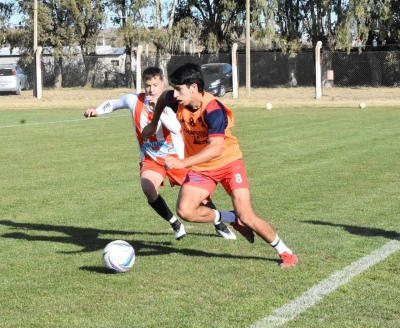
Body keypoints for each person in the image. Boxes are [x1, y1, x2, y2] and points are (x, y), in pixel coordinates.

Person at [142, 63, 298, 267]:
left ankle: (285, 252)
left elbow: (215, 149)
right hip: (202, 167)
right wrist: (154, 123)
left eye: (179, 89)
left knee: (247, 215)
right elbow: (163, 97)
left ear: (193, 87)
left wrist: (182, 162)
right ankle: (231, 218)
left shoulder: (214, 110)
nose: (176, 94)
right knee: (185, 211)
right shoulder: (175, 98)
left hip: (228, 163)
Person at [84, 66, 236, 241]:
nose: (151, 89)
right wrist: (97, 110)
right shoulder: (133, 100)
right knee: (148, 188)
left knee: (200, 198)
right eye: (148, 85)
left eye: (155, 85)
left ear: (162, 84)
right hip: (151, 159)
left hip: (177, 158)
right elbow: (114, 103)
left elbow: (176, 128)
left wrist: (157, 112)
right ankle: (175, 223)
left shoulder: (174, 101)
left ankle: (219, 224)